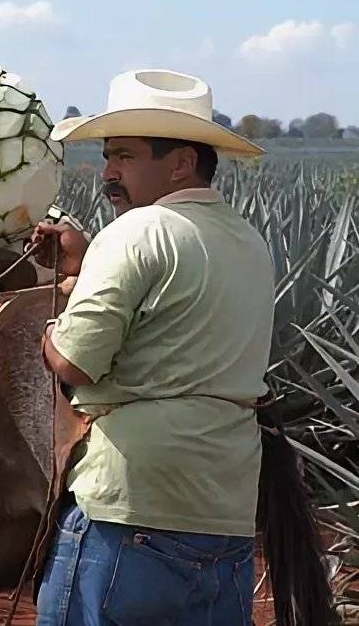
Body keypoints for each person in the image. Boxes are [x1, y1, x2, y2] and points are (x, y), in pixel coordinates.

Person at [28, 69, 274, 625]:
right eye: (107, 156)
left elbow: (73, 362)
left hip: (129, 509)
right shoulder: (249, 243)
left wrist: (49, 320)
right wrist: (85, 265)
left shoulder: (136, 232)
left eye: (125, 157)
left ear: (183, 161)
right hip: (225, 515)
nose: (107, 173)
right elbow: (175, 325)